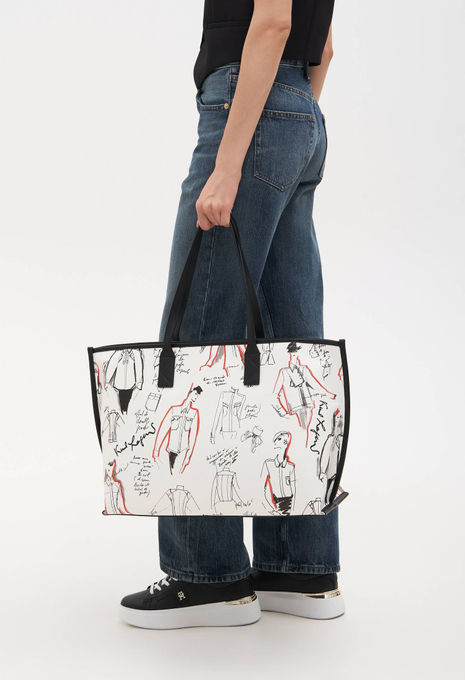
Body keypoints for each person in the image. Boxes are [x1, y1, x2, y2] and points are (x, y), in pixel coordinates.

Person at [118, 0, 343, 630]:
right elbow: (324, 45)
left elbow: (272, 22)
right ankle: (299, 568)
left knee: (198, 340)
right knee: (292, 350)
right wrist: (293, 117)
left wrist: (229, 163)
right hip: (299, 113)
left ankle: (205, 573)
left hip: (248, 109)